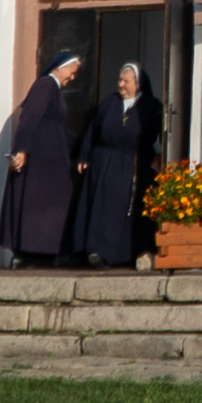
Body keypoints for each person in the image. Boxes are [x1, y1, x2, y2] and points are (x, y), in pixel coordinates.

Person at [0, 53, 89, 265]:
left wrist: (83, 148)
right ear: (61, 68)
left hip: (50, 160)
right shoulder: (45, 85)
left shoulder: (53, 90)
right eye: (72, 72)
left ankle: (42, 251)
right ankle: (32, 253)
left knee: (49, 204)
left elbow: (58, 128)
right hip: (41, 160)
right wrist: (22, 150)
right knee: (40, 205)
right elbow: (30, 118)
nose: (72, 78)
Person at [79, 60, 165, 270]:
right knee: (104, 210)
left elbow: (164, 134)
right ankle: (98, 252)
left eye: (126, 81)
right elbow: (93, 131)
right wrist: (84, 156)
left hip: (135, 165)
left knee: (129, 212)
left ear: (138, 84)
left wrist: (162, 156)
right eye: (119, 80)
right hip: (106, 163)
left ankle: (128, 253)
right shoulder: (109, 103)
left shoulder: (151, 106)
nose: (121, 85)